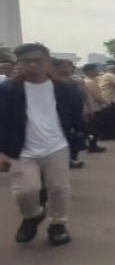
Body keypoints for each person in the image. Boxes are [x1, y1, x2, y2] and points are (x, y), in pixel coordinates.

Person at [0, 43, 85, 246]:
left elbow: (75, 117)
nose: (32, 66)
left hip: (57, 146)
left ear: (47, 62)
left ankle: (57, 225)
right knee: (25, 191)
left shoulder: (66, 89)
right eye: (26, 61)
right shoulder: (7, 90)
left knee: (58, 188)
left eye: (37, 61)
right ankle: (32, 215)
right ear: (18, 64)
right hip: (21, 149)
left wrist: (79, 139)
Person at [53, 59, 87, 169]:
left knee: (76, 136)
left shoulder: (72, 81)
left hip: (75, 114)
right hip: (64, 115)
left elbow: (81, 98)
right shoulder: (55, 83)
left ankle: (73, 158)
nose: (71, 68)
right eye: (67, 66)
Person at [80, 64, 108, 153]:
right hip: (93, 108)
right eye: (95, 70)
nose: (97, 71)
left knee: (91, 128)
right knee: (95, 128)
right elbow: (97, 96)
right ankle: (92, 146)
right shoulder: (90, 82)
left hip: (88, 108)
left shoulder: (86, 81)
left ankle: (92, 145)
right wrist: (106, 103)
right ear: (89, 71)